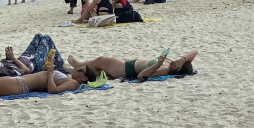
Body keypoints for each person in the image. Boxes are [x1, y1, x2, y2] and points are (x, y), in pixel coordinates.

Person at [65, 50, 197, 81]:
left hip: (125, 69)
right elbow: (195, 51)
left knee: (101, 60)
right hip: (129, 64)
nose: (175, 62)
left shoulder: (165, 69)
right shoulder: (173, 64)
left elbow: (141, 76)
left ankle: (78, 65)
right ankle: (75, 71)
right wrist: (182, 59)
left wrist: (158, 64)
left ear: (178, 70)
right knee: (100, 67)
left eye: (178, 64)